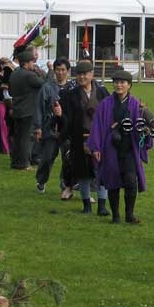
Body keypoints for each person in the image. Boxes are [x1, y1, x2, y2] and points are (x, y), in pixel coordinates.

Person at [87, 70, 154, 224]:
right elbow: (97, 126)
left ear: (129, 85)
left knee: (131, 181)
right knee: (113, 181)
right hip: (111, 146)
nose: (119, 85)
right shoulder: (105, 104)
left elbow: (145, 125)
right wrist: (96, 147)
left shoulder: (136, 104)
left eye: (122, 83)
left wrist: (145, 134)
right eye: (116, 82)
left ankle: (129, 214)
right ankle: (116, 216)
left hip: (129, 147)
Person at [59, 61, 109, 214]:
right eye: (79, 74)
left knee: (102, 171)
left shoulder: (102, 92)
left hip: (100, 138)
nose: (82, 77)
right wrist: (60, 115)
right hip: (79, 138)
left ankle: (102, 206)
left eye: (85, 74)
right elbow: (66, 118)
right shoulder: (70, 94)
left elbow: (109, 114)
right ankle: (86, 205)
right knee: (83, 173)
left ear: (92, 74)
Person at [34, 57, 76, 195]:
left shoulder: (73, 88)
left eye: (63, 70)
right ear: (54, 71)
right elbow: (39, 107)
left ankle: (65, 184)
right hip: (50, 128)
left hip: (67, 129)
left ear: (68, 71)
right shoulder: (47, 87)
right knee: (47, 157)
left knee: (68, 158)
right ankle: (41, 180)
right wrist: (38, 127)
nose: (60, 73)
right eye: (58, 70)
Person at [8, 48, 44, 170]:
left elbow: (10, 91)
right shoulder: (30, 75)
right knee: (26, 138)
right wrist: (47, 71)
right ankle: (24, 163)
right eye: (32, 62)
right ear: (26, 63)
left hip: (17, 108)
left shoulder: (14, 73)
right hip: (28, 109)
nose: (33, 64)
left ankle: (15, 161)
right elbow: (43, 83)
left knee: (18, 137)